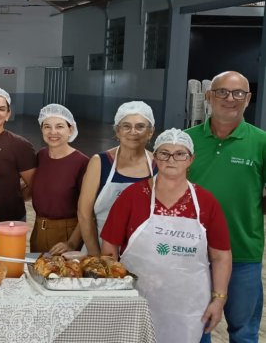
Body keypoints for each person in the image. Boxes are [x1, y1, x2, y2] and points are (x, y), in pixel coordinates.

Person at [102, 128, 231, 343]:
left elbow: (221, 256)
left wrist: (218, 300)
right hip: (137, 301)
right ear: (155, 157)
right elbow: (109, 247)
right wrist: (113, 291)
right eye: (164, 153)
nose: (172, 159)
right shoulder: (132, 196)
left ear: (191, 159)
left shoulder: (206, 202)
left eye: (180, 153)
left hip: (188, 308)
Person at [186, 71, 266, 342]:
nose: (230, 99)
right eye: (221, 92)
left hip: (243, 252)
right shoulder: (186, 140)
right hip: (192, 253)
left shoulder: (261, 142)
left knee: (243, 332)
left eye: (238, 93)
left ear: (248, 99)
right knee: (196, 329)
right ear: (209, 96)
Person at [77, 101, 155, 256]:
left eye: (140, 126)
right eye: (126, 126)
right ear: (117, 131)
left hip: (143, 253)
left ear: (150, 132)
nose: (133, 132)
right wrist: (96, 257)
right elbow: (84, 213)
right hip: (99, 246)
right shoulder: (100, 162)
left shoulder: (157, 165)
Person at [31, 104, 89, 254]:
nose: (53, 132)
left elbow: (88, 211)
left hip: (66, 234)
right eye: (47, 126)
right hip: (38, 231)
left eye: (59, 126)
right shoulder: (41, 156)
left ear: (70, 130)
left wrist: (71, 242)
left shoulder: (82, 162)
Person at [0, 87, 36, 222]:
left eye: (2, 109)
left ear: (8, 114)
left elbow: (34, 185)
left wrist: (14, 199)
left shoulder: (20, 145)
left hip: (10, 220)